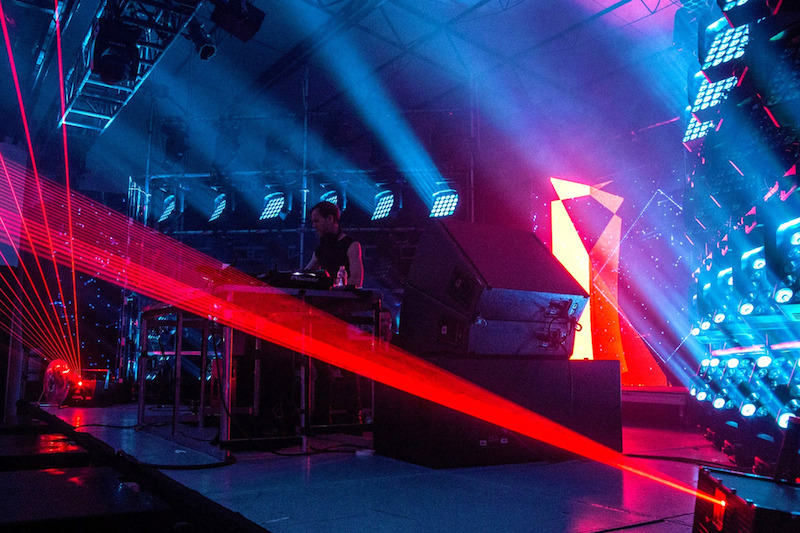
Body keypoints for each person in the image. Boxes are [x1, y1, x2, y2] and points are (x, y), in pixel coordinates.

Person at [305, 201, 363, 288]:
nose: (313, 225)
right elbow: (305, 275)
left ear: (330, 218)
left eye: (316, 221)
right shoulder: (321, 249)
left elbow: (356, 281)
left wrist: (327, 283)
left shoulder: (351, 245)